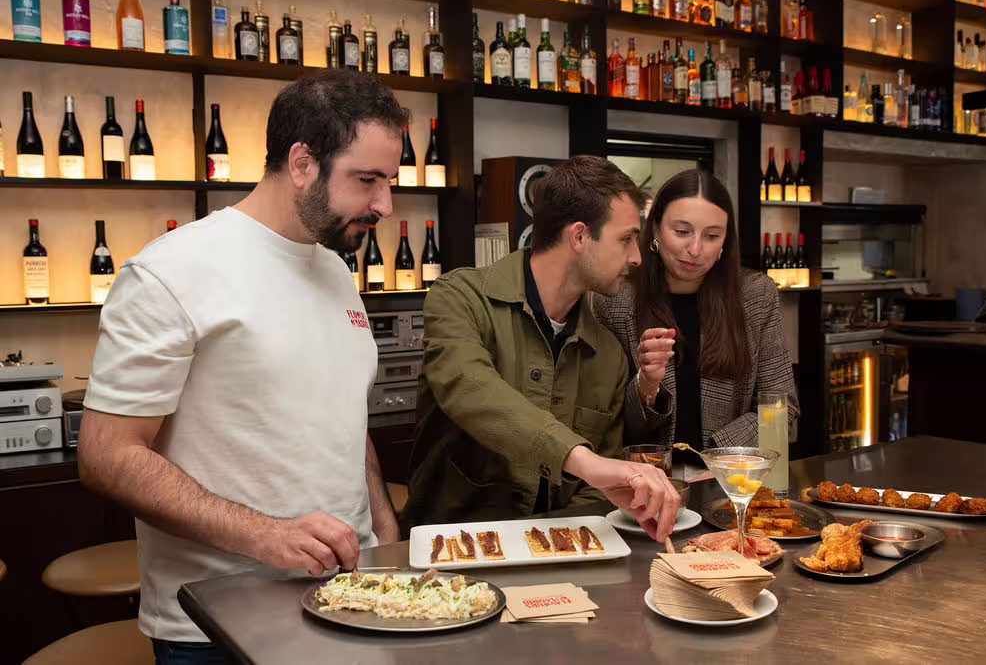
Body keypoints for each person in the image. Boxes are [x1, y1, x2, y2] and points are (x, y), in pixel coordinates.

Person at [77, 70, 408, 664]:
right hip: (216, 619)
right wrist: (267, 534)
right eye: (367, 180)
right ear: (302, 162)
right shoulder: (172, 273)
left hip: (349, 599)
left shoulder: (335, 269)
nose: (384, 203)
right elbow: (107, 456)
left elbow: (342, 418)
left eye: (390, 181)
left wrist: (385, 536)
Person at [402, 156, 681, 542]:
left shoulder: (609, 354)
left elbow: (594, 488)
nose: (636, 257)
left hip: (558, 556)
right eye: (626, 238)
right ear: (580, 236)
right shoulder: (460, 298)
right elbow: (471, 388)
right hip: (450, 554)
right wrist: (584, 460)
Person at [594, 169, 799, 464]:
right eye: (681, 232)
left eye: (712, 236)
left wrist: (717, 457)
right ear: (655, 229)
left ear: (725, 242)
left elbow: (781, 408)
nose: (695, 249)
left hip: (730, 479)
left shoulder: (755, 295)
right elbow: (606, 424)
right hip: (644, 483)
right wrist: (646, 385)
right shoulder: (615, 299)